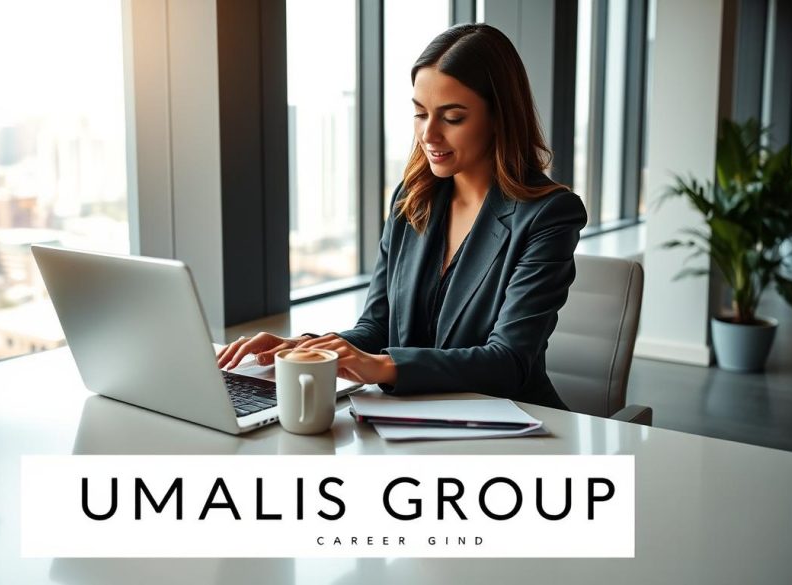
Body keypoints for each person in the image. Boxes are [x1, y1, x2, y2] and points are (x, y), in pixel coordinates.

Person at [216, 23, 586, 409]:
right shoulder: (412, 199)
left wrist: (384, 367)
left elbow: (509, 362)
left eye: (453, 117)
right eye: (420, 114)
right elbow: (376, 327)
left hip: (511, 424)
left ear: (500, 117)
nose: (429, 134)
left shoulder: (548, 215)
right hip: (416, 419)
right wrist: (305, 349)